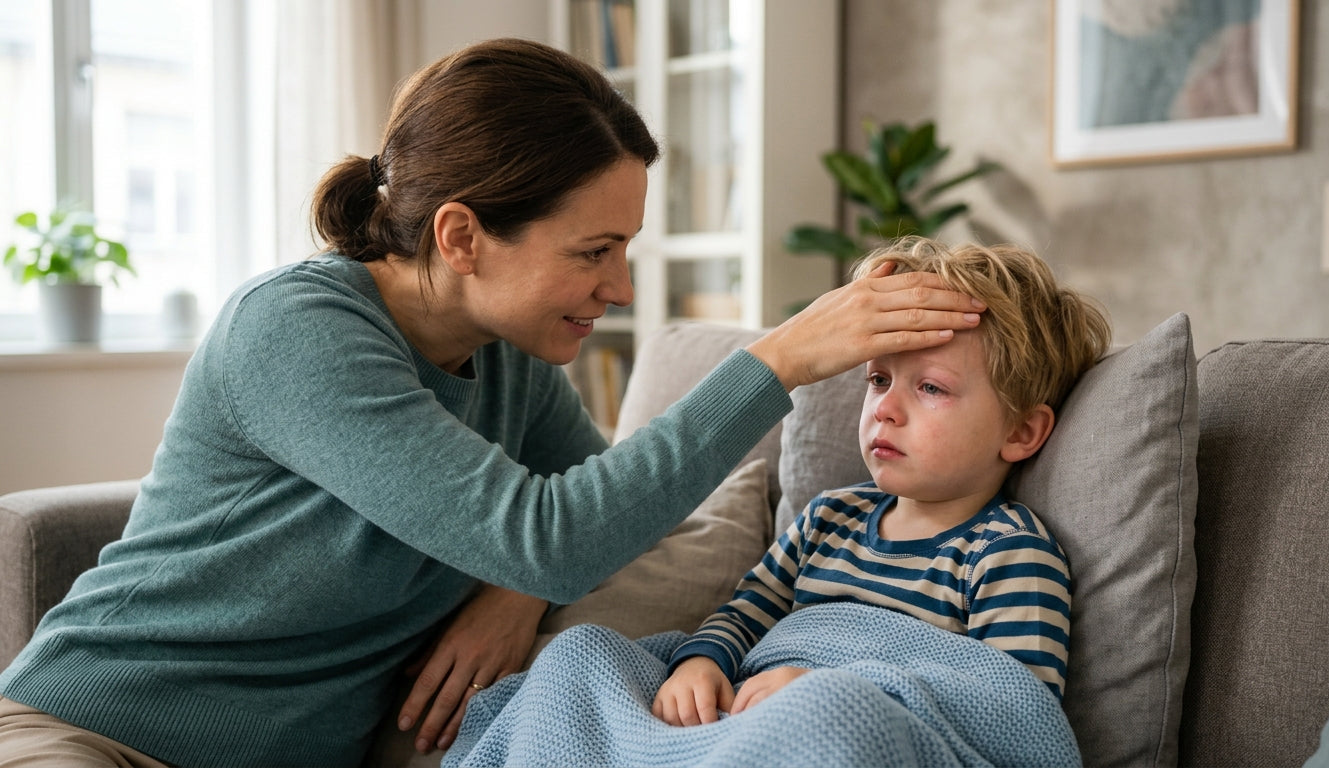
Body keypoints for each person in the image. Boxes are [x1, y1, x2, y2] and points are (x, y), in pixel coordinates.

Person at [0, 39, 986, 768]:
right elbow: (555, 535)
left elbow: (602, 514)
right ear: (462, 236)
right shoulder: (298, 330)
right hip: (94, 734)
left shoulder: (506, 362)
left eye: (627, 249)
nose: (621, 288)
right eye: (593, 251)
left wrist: (511, 593)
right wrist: (778, 358)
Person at [653, 236, 1112, 727]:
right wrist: (700, 664)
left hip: (852, 737)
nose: (886, 409)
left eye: (931, 387)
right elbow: (744, 616)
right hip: (746, 721)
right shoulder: (826, 519)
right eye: (878, 380)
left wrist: (838, 697)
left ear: (1021, 431)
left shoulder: (1007, 554)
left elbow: (1015, 716)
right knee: (585, 653)